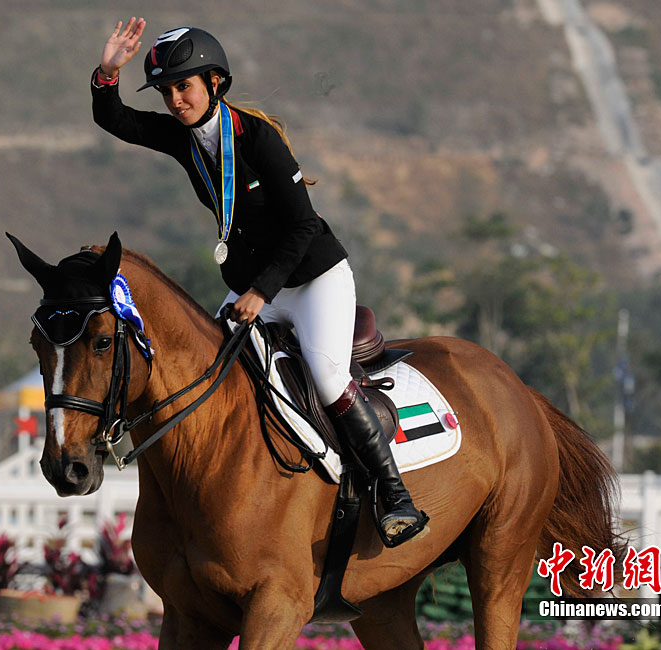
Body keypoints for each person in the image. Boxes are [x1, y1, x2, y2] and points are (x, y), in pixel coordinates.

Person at [91, 17, 428, 545]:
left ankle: (394, 495)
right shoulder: (183, 139)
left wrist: (261, 292)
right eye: (166, 91)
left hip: (313, 280)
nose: (175, 100)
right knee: (211, 368)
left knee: (327, 377)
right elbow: (113, 118)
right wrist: (108, 71)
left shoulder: (259, 138)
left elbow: (304, 227)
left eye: (184, 86)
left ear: (214, 83)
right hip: (255, 286)